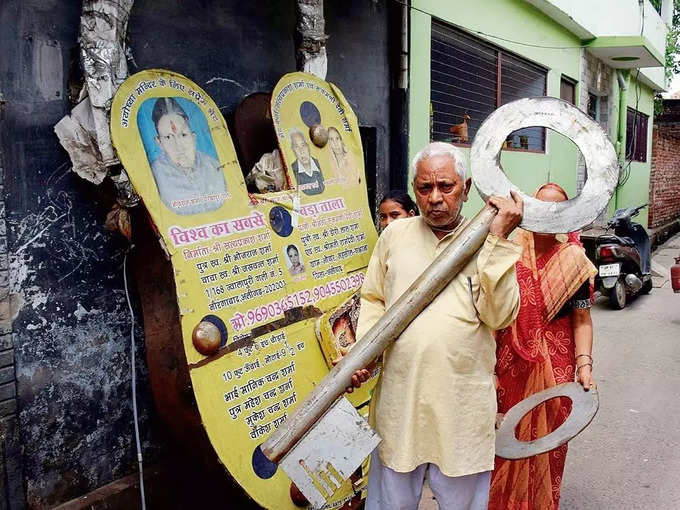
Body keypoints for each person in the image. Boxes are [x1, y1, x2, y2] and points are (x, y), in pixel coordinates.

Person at [350, 141, 524, 510]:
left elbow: (501, 315)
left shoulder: (487, 240)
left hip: (460, 401)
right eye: (425, 188)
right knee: (391, 500)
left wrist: (497, 241)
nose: (436, 198)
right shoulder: (395, 235)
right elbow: (373, 298)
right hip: (401, 397)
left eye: (446, 186)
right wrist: (363, 354)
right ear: (415, 190)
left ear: (467, 186)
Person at [489, 182, 597, 510]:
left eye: (557, 210)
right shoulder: (508, 248)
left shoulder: (573, 259)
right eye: (541, 207)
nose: (548, 215)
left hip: (557, 370)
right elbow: (491, 310)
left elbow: (581, 319)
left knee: (548, 445)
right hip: (510, 364)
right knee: (504, 440)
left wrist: (584, 365)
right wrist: (488, 366)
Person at [149, 97, 227, 215]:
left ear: (193, 137)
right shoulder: (154, 173)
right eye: (168, 137)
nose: (178, 145)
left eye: (183, 135)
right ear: (160, 143)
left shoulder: (213, 165)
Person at [289, 128, 325, 195]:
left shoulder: (322, 163)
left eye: (303, 145)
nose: (301, 151)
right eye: (297, 147)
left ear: (308, 146)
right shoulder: (291, 171)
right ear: (293, 150)